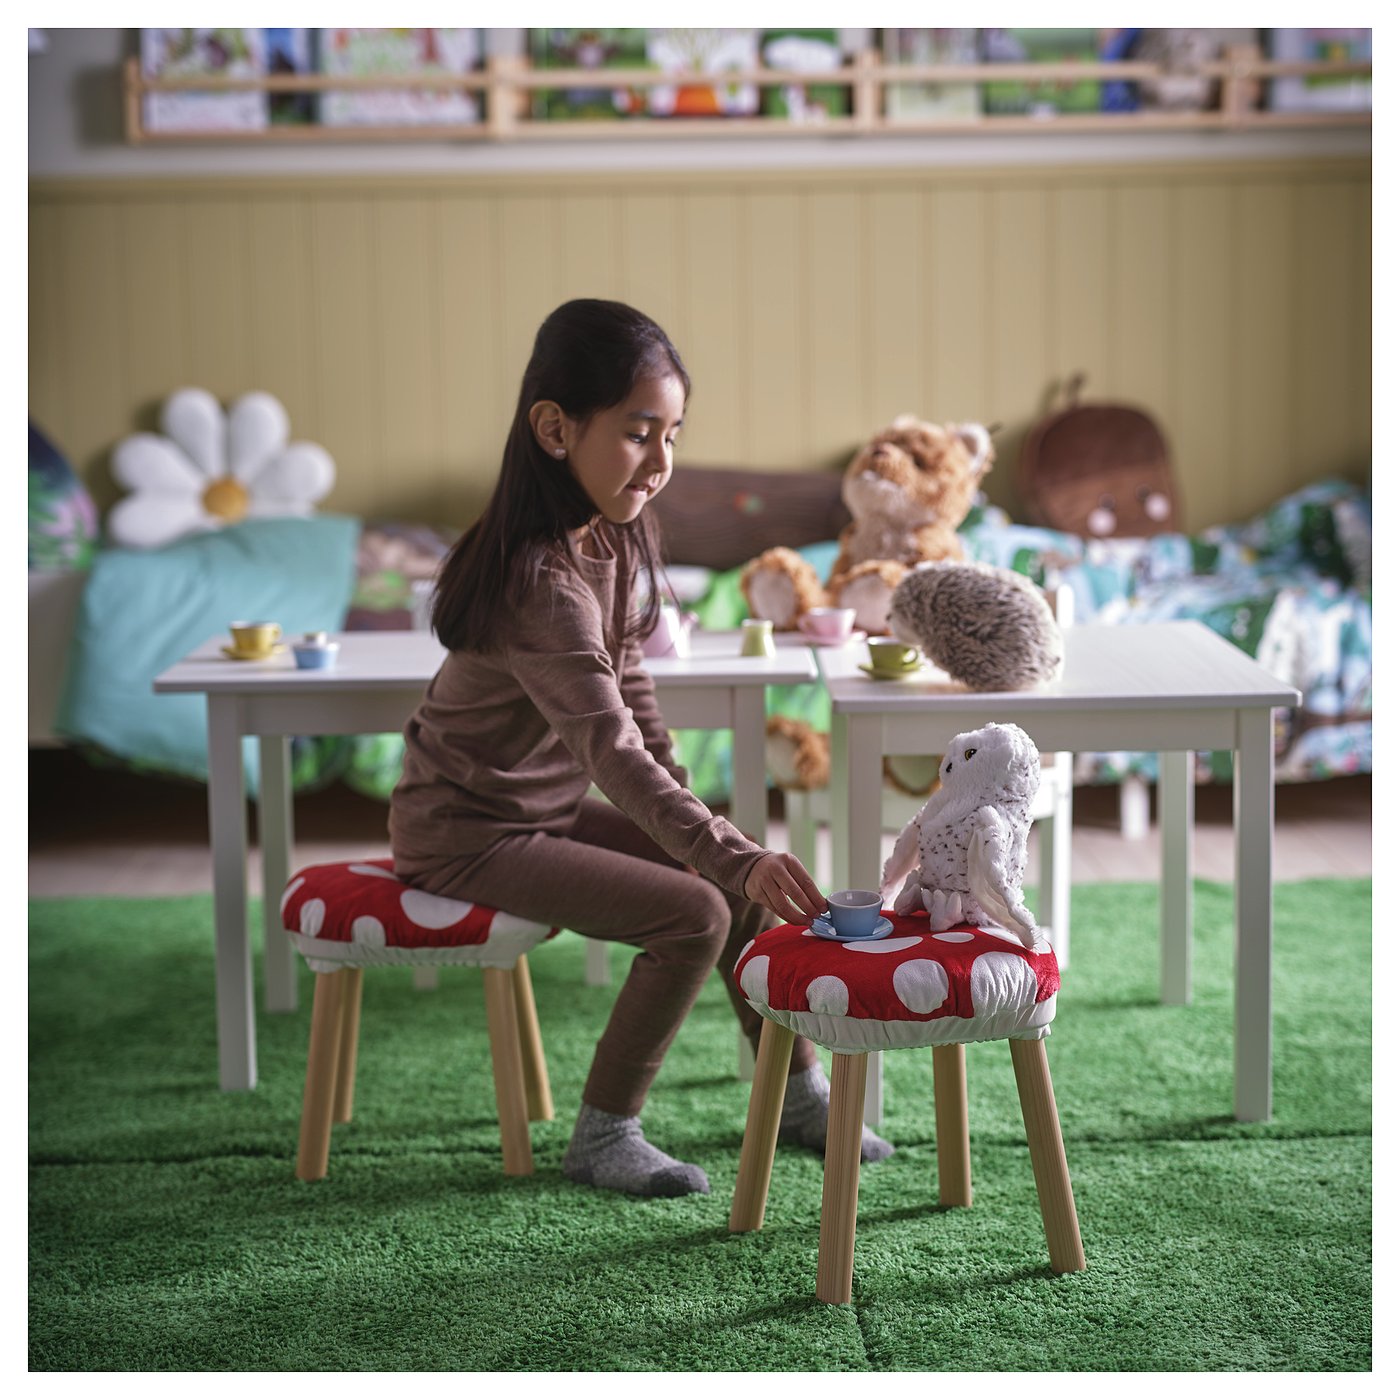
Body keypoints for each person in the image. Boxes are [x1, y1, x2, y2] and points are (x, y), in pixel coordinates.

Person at [390, 298, 892, 1198]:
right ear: (554, 428)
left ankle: (798, 1095)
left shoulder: (615, 531)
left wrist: (706, 830)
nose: (661, 464)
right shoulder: (537, 580)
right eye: (637, 433)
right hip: (464, 833)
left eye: (673, 435)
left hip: (536, 813)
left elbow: (635, 694)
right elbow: (611, 750)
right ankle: (603, 1134)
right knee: (697, 909)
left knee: (729, 882)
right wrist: (724, 853)